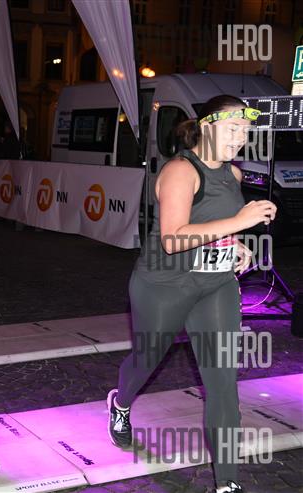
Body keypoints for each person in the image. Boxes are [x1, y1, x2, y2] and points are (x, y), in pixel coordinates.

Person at [107, 95, 277, 493]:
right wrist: (239, 221)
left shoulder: (232, 174)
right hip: (164, 285)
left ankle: (227, 483)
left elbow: (214, 223)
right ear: (206, 126)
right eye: (233, 128)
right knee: (146, 360)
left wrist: (236, 245)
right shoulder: (180, 171)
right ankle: (121, 402)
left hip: (215, 285)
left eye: (245, 131)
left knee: (223, 385)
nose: (241, 137)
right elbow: (172, 239)